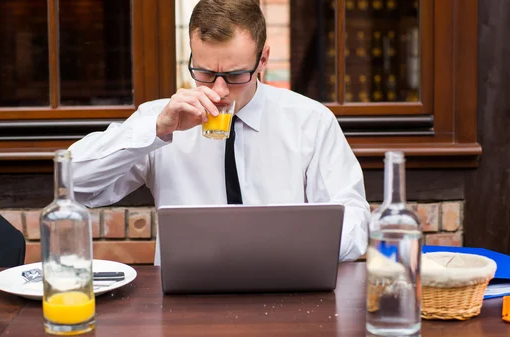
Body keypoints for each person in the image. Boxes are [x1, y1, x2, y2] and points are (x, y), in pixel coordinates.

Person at [68, 0, 369, 265]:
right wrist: (156, 131)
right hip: (186, 299)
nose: (219, 90)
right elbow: (73, 185)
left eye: (236, 74)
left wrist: (294, 246)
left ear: (262, 59)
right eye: (206, 73)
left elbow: (354, 224)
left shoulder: (310, 121)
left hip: (286, 290)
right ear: (191, 58)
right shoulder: (159, 118)